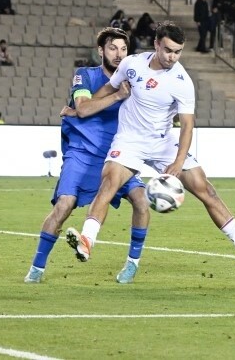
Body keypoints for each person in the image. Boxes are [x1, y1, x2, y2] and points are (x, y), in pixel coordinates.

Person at [63, 21, 235, 282]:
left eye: (177, 52)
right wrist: (83, 108)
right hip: (130, 140)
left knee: (205, 188)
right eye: (168, 50)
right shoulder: (132, 64)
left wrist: (177, 163)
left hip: (163, 141)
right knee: (108, 184)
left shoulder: (182, 81)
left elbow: (187, 125)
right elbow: (109, 89)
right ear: (156, 44)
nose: (172, 57)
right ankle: (87, 240)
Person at [24, 27, 149, 284]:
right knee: (64, 205)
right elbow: (82, 109)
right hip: (82, 153)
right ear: (101, 51)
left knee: (141, 200)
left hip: (116, 155)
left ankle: (132, 264)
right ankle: (37, 268)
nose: (119, 54)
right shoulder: (85, 75)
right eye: (113, 48)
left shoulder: (133, 83)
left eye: (124, 49)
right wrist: (116, 96)